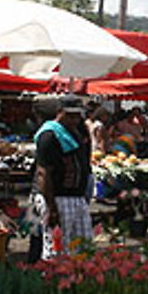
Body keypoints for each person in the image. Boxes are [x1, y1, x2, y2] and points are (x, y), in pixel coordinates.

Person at [30, 95, 93, 259]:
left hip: (76, 197)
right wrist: (51, 208)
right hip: (57, 198)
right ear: (60, 112)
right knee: (57, 248)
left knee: (83, 246)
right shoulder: (48, 136)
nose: (75, 119)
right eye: (70, 115)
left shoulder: (75, 132)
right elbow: (43, 173)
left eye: (78, 115)